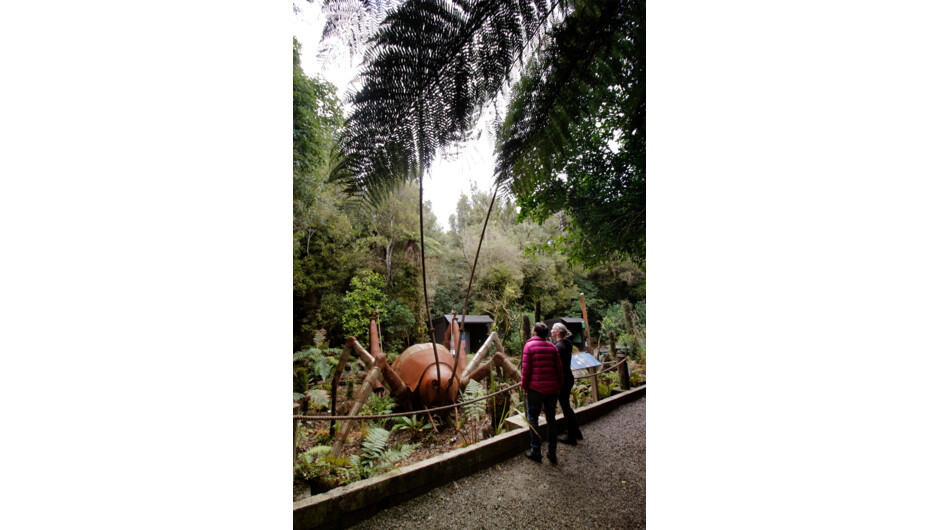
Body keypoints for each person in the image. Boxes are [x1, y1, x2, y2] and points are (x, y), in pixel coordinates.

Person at [520, 322, 564, 463]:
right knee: (551, 419)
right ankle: (552, 451)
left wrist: (524, 386)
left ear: (535, 332)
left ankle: (536, 451)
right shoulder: (552, 347)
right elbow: (559, 369)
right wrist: (559, 386)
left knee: (533, 418)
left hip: (535, 389)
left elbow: (526, 370)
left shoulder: (529, 346)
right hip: (552, 389)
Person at [552, 322, 584, 444]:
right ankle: (575, 431)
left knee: (565, 406)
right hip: (568, 377)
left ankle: (571, 436)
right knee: (566, 405)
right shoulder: (567, 343)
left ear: (558, 332)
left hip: (563, 379)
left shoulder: (559, 347)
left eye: (553, 329)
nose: (551, 331)